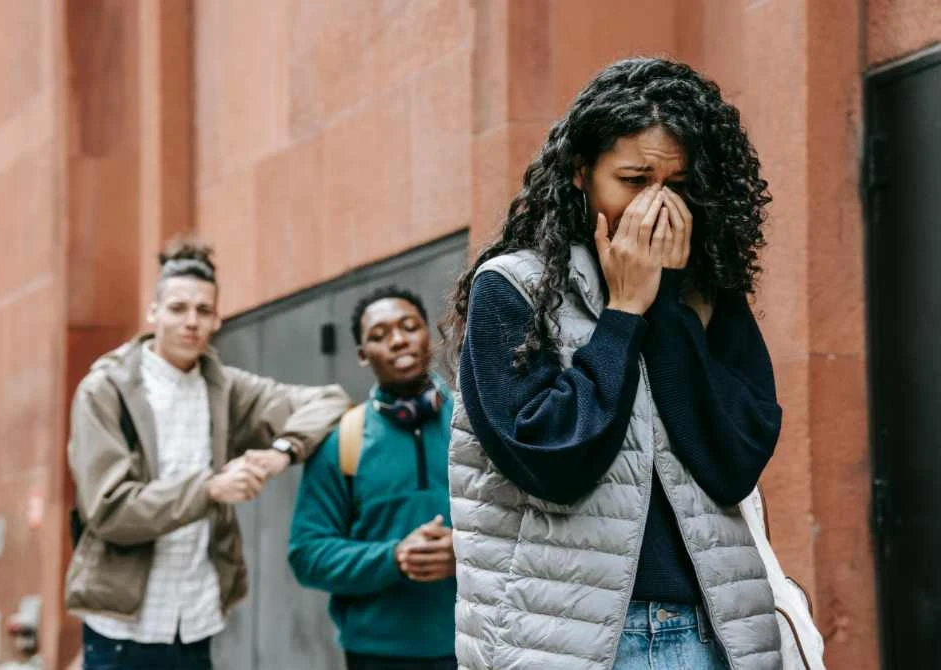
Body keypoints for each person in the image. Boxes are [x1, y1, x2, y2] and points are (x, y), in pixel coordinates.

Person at [444, 57, 783, 670]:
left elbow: (733, 463)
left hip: (710, 630)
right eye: (633, 179)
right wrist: (624, 313)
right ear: (581, 174)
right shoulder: (515, 288)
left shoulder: (708, 294)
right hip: (567, 641)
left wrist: (671, 308)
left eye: (677, 187)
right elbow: (552, 461)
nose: (656, 206)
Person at [65, 241, 350, 670]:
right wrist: (211, 488)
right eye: (178, 308)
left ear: (217, 319)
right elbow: (109, 511)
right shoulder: (105, 391)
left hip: (196, 621)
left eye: (203, 311)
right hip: (123, 629)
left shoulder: (224, 388)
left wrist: (280, 452)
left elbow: (330, 400)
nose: (191, 322)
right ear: (153, 314)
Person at [289, 286, 457, 670]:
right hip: (377, 656)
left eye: (408, 327)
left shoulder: (473, 425)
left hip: (474, 642)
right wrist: (394, 557)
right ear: (363, 355)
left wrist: (465, 552)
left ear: (428, 334)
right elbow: (307, 554)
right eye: (379, 336)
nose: (398, 340)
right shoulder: (342, 441)